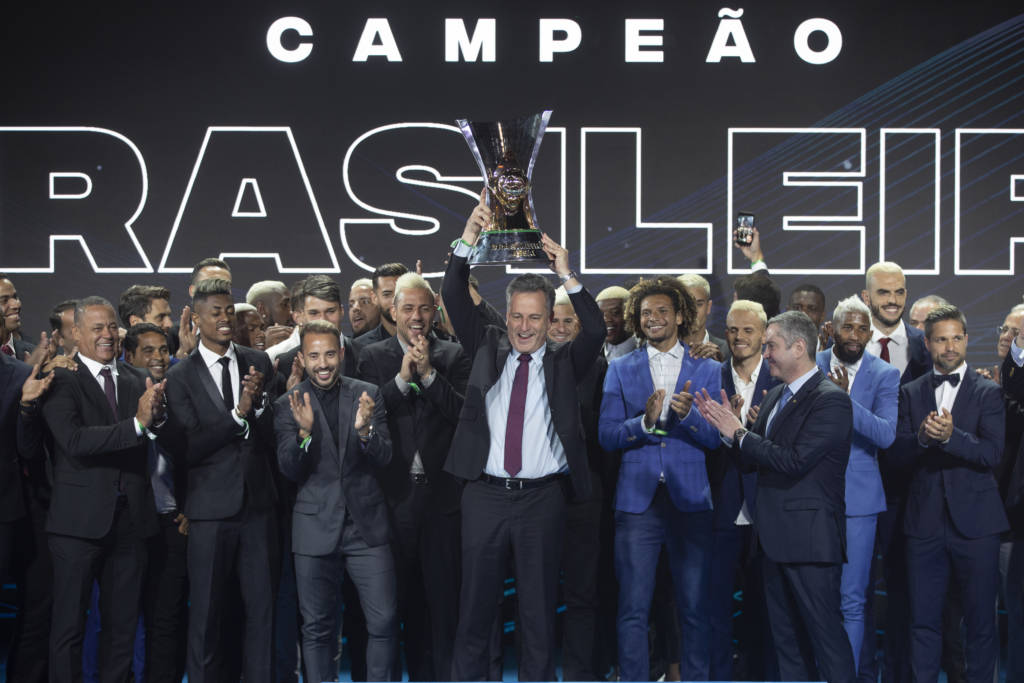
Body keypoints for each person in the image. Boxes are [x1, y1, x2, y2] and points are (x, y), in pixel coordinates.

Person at [442, 195, 604, 681]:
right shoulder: (486, 346)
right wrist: (468, 238)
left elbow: (595, 329)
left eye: (535, 318)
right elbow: (453, 294)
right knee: (474, 610)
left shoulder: (565, 361)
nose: (525, 327)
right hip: (484, 495)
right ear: (507, 315)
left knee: (537, 614)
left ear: (549, 321)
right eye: (517, 316)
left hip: (541, 500)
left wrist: (566, 274)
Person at [695, 310, 856, 683]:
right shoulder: (776, 396)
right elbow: (752, 462)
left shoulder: (831, 400)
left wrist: (740, 434)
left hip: (810, 542)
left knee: (825, 638)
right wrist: (728, 433)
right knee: (786, 643)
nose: (764, 353)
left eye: (771, 346)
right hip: (771, 540)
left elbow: (795, 461)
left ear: (799, 347)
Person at [599, 275, 722, 681]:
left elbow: (716, 440)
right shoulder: (620, 369)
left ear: (680, 316)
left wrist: (689, 417)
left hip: (691, 503)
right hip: (638, 505)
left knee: (695, 607)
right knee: (633, 608)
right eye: (645, 313)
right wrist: (643, 423)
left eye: (662, 311)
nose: (652, 318)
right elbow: (607, 435)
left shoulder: (709, 369)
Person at [41, 297, 165, 682]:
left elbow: (153, 435)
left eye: (111, 326)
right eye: (97, 328)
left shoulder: (136, 378)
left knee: (122, 627)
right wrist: (137, 425)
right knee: (68, 627)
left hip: (131, 522)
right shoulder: (59, 379)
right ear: (76, 334)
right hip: (77, 524)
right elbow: (74, 441)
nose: (107, 335)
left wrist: (156, 420)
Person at [163, 278, 278, 683]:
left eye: (229, 310)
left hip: (258, 507)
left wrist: (257, 409)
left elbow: (273, 434)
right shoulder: (180, 376)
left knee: (262, 613)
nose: (225, 318)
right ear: (196, 319)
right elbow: (187, 448)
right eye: (216, 312)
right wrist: (237, 415)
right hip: (209, 512)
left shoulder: (258, 363)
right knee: (207, 615)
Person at [356, 273, 469, 681]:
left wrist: (430, 376)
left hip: (442, 501)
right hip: (393, 500)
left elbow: (464, 415)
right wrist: (403, 379)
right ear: (393, 310)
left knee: (444, 608)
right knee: (399, 608)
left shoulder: (454, 354)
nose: (417, 317)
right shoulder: (371, 356)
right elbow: (368, 415)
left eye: (424, 308)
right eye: (408, 308)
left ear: (435, 311)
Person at [275, 320, 397, 682]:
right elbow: (288, 469)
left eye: (330, 354)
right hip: (314, 529)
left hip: (366, 528)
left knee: (384, 620)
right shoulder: (288, 403)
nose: (323, 363)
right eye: (314, 356)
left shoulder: (367, 394)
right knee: (317, 627)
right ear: (302, 358)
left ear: (341, 354)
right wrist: (304, 433)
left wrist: (365, 431)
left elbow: (385, 457)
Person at [891, 304, 1006, 683]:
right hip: (923, 525)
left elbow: (992, 453)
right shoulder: (909, 393)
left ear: (967, 340)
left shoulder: (989, 392)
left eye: (957, 338)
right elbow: (895, 456)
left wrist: (951, 437)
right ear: (927, 343)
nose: (950, 346)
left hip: (977, 526)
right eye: (941, 339)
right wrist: (923, 439)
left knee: (980, 622)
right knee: (923, 621)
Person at [817, 296, 899, 672]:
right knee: (816, 599)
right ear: (832, 329)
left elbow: (885, 435)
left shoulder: (884, 374)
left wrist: (844, 400)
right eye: (847, 327)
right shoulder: (811, 364)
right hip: (810, 496)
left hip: (859, 502)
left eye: (862, 329)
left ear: (870, 333)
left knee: (851, 600)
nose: (854, 335)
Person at [860, 260, 931, 682]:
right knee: (858, 593)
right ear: (866, 297)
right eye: (883, 292)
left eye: (899, 291)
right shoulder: (847, 342)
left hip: (911, 489)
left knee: (906, 592)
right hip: (858, 486)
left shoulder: (926, 346)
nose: (892, 300)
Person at [707, 299, 779, 681]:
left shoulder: (780, 381)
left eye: (748, 330)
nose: (739, 337)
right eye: (733, 330)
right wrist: (725, 430)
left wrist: (754, 431)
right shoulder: (710, 375)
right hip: (721, 504)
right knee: (715, 603)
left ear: (764, 334)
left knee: (764, 605)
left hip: (766, 506)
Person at [548, 289, 610, 681]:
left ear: (580, 326)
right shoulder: (527, 364)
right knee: (536, 593)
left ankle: (579, 674)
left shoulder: (599, 368)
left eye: (567, 321)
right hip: (537, 495)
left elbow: (604, 431)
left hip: (584, 494)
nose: (558, 327)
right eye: (553, 320)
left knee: (582, 593)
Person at [123, 322, 190, 683]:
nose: (158, 357)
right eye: (147, 350)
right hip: (127, 524)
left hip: (171, 521)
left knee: (167, 619)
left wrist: (190, 507)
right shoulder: (118, 396)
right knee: (122, 619)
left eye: (163, 349)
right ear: (129, 356)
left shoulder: (181, 394)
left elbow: (197, 455)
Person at [678, 273, 729, 361]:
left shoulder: (728, 351)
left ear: (708, 307)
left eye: (699, 304)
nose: (693, 312)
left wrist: (721, 366)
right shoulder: (661, 350)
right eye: (686, 304)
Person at [357, 263, 408, 346]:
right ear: (374, 298)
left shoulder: (428, 340)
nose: (395, 300)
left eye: (400, 293)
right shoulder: (359, 346)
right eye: (387, 294)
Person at [246, 280, 293, 349]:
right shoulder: (239, 346)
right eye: (285, 305)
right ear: (262, 309)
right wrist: (267, 349)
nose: (291, 312)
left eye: (291, 305)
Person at [595, 286, 636, 361]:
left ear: (631, 314)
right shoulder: (591, 357)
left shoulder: (649, 353)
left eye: (615, 313)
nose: (606, 319)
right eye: (600, 315)